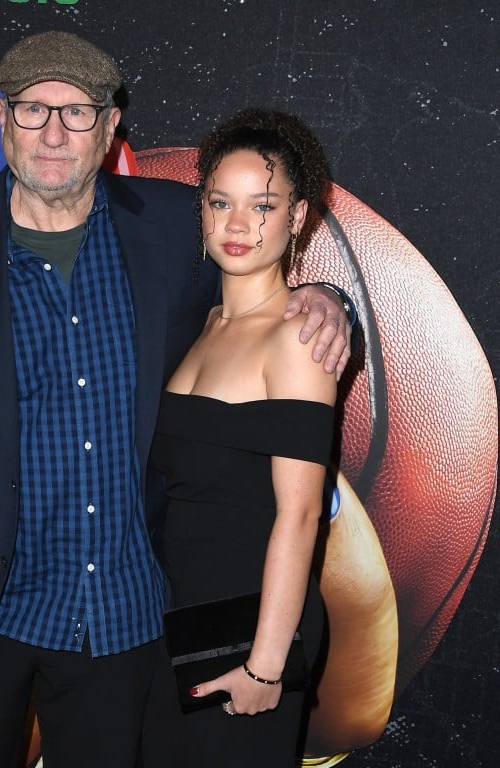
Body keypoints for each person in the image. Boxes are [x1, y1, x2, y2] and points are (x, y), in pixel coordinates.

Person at [0, 31, 351, 768]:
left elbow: (257, 270)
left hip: (122, 620)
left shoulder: (173, 228)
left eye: (78, 112)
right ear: (3, 120)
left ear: (111, 124)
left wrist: (328, 298)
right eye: (33, 109)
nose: (54, 133)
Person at [143, 109, 340, 767]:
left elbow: (301, 513)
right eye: (220, 201)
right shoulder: (202, 325)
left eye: (263, 206)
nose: (236, 225)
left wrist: (266, 664)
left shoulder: (298, 339)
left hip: (253, 627)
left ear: (297, 216)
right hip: (179, 613)